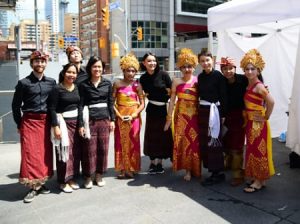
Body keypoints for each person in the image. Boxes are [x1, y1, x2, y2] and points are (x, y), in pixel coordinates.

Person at [11, 50, 56, 203]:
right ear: (32, 63)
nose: (40, 64)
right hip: (29, 122)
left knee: (44, 154)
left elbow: (53, 105)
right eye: (37, 61)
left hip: (46, 122)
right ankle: (32, 187)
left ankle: (41, 184)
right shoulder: (23, 83)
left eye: (42, 61)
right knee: (30, 154)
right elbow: (15, 106)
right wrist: (19, 123)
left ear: (46, 63)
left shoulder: (51, 82)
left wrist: (55, 124)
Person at [240, 49, 275, 193]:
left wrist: (266, 116)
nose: (249, 72)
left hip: (258, 125)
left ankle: (259, 181)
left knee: (259, 151)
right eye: (247, 69)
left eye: (252, 69)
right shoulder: (249, 85)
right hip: (251, 123)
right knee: (254, 150)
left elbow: (271, 102)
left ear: (258, 70)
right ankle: (259, 179)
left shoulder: (259, 86)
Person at [78, 56, 115, 189]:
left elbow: (111, 103)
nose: (97, 69)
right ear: (90, 68)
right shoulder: (83, 85)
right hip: (90, 121)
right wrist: (81, 124)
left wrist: (113, 119)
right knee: (89, 149)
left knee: (102, 149)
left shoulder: (107, 84)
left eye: (99, 67)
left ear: (103, 69)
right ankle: (88, 176)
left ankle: (99, 175)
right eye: (94, 66)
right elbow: (81, 105)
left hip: (104, 120)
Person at [164, 48, 201, 181]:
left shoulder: (198, 80)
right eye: (184, 67)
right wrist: (169, 118)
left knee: (194, 143)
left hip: (195, 117)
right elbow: (172, 101)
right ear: (180, 68)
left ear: (194, 67)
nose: (187, 69)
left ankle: (196, 168)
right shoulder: (176, 81)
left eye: (189, 66)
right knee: (184, 143)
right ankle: (187, 170)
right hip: (181, 118)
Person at [49, 63, 81, 193]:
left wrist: (81, 125)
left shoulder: (77, 88)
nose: (71, 75)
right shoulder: (57, 89)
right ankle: (62, 181)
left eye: (74, 73)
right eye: (69, 72)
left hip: (76, 124)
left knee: (74, 153)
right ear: (63, 73)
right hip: (63, 123)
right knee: (63, 152)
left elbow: (79, 106)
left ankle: (71, 178)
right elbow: (51, 108)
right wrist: (56, 126)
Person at [197, 49, 228, 186]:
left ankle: (218, 173)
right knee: (205, 142)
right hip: (203, 112)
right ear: (199, 63)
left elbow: (224, 96)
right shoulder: (200, 77)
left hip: (215, 112)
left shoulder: (219, 76)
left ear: (212, 61)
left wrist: (223, 115)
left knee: (215, 142)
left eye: (207, 60)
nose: (205, 63)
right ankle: (211, 170)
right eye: (202, 61)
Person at [139, 52, 173, 174]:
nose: (152, 63)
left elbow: (173, 92)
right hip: (151, 109)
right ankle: (152, 163)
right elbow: (138, 94)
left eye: (154, 60)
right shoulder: (142, 78)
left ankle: (160, 163)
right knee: (151, 136)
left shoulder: (164, 75)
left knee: (162, 137)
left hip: (163, 110)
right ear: (144, 63)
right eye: (149, 61)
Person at [113, 53, 145, 179]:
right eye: (128, 70)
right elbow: (112, 103)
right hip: (120, 117)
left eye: (133, 71)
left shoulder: (137, 85)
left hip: (134, 117)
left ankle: (132, 167)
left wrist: (135, 114)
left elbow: (142, 104)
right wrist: (119, 115)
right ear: (123, 70)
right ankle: (122, 168)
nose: (130, 73)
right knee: (120, 142)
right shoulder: (117, 84)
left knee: (133, 141)